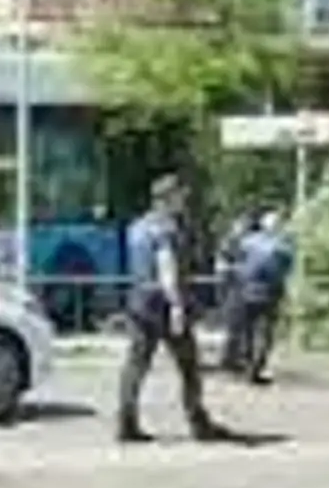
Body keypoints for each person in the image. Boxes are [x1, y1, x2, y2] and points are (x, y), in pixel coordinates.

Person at [116, 174, 242, 444]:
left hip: (139, 298)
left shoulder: (136, 227)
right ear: (167, 198)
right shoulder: (166, 228)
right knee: (189, 366)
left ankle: (126, 423)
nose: (183, 202)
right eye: (179, 197)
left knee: (135, 366)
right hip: (163, 301)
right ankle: (198, 422)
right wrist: (176, 305)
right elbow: (166, 267)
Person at [237, 208, 297, 385]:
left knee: (247, 331)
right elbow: (288, 271)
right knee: (265, 332)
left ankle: (248, 364)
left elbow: (238, 261)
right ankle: (256, 367)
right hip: (270, 292)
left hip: (247, 289)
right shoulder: (284, 247)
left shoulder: (247, 242)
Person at [214, 213, 255, 374]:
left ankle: (243, 357)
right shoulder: (229, 243)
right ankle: (228, 359)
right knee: (233, 325)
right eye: (242, 225)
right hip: (231, 287)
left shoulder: (249, 244)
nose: (245, 229)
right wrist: (239, 270)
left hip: (244, 288)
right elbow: (221, 266)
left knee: (245, 326)